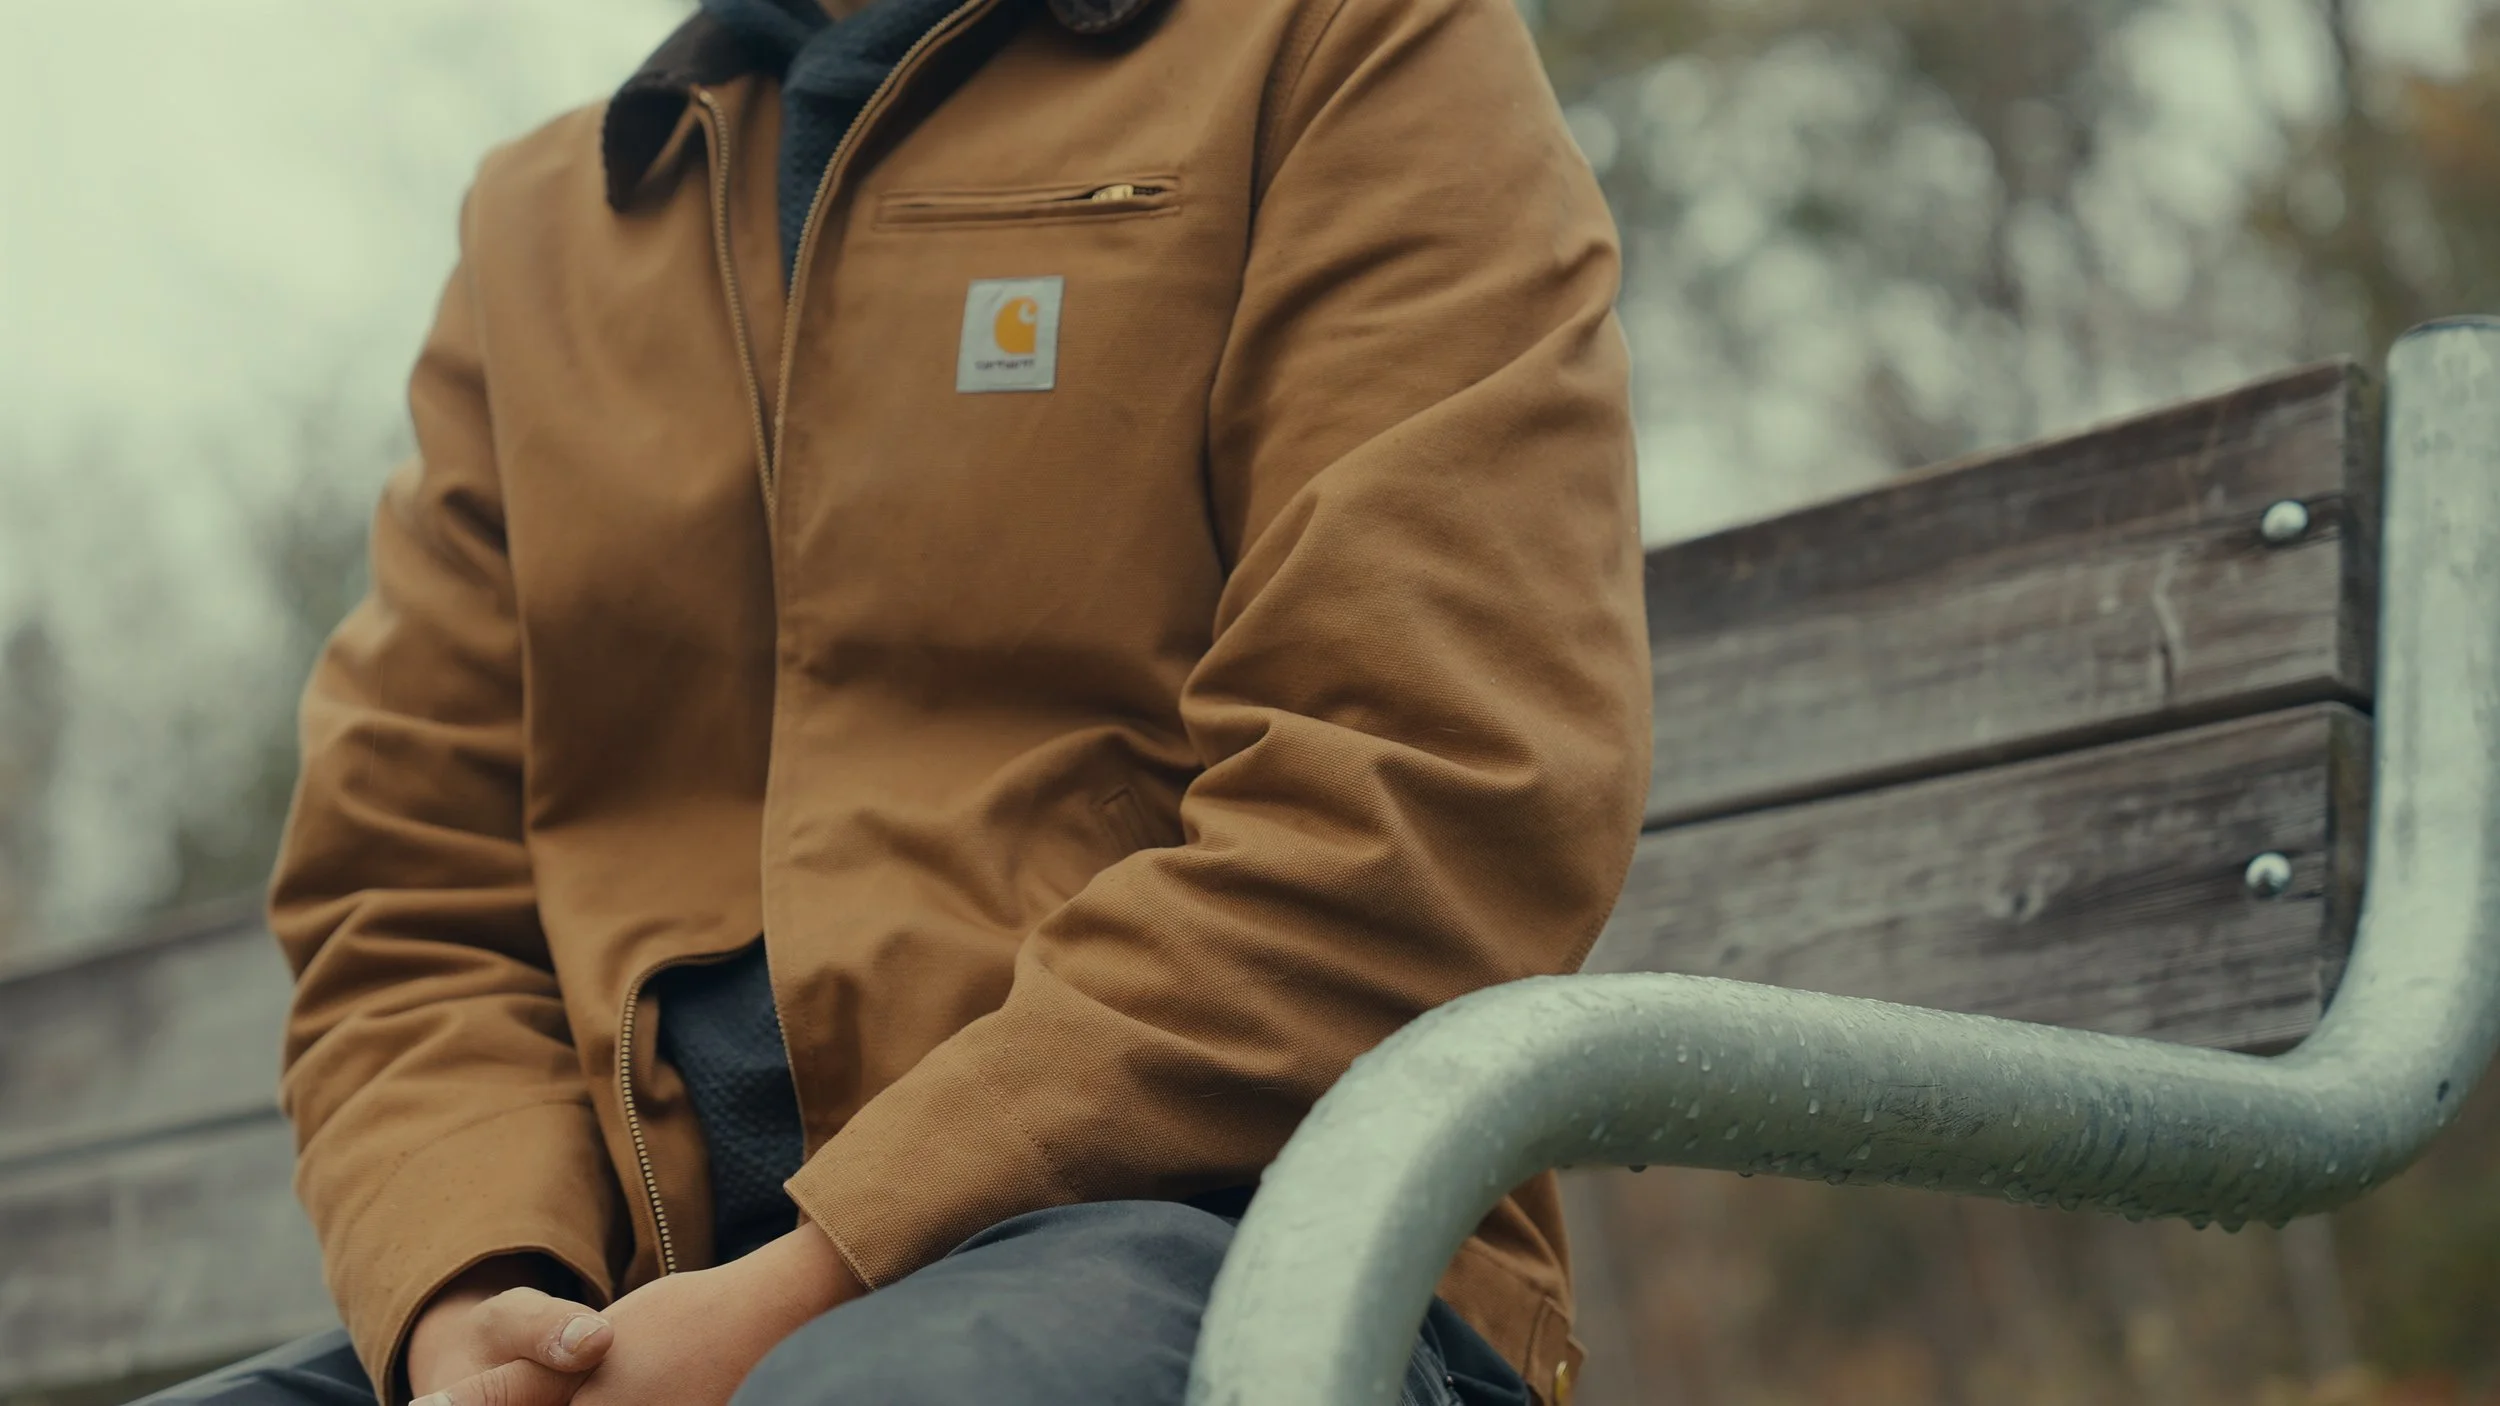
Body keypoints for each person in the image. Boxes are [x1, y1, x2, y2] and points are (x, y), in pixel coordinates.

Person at [142, 0, 1648, 1402]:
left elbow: (1426, 783)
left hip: (1271, 1260)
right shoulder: (544, 226)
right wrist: (479, 1299)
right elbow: (409, 898)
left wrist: (815, 1274)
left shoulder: (1343, 43)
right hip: (646, 1312)